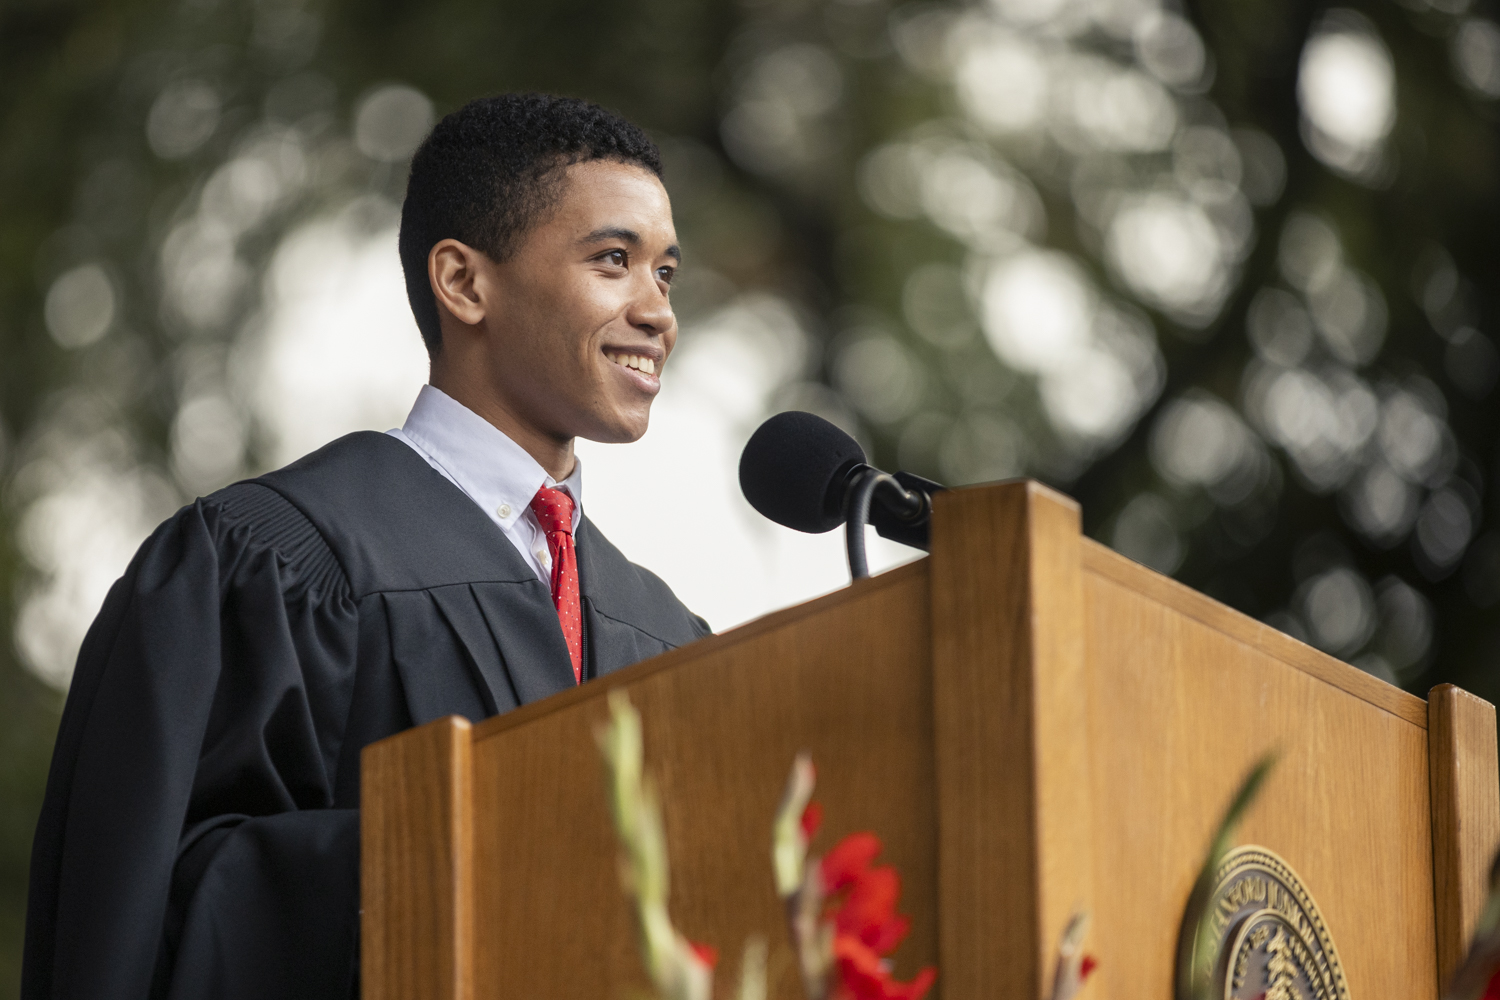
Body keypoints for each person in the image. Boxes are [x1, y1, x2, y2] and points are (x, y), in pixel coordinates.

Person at [22, 92, 709, 1000]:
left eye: (665, 274)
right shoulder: (268, 561)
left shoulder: (668, 634)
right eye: (613, 261)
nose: (657, 310)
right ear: (464, 283)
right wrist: (444, 860)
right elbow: (141, 915)